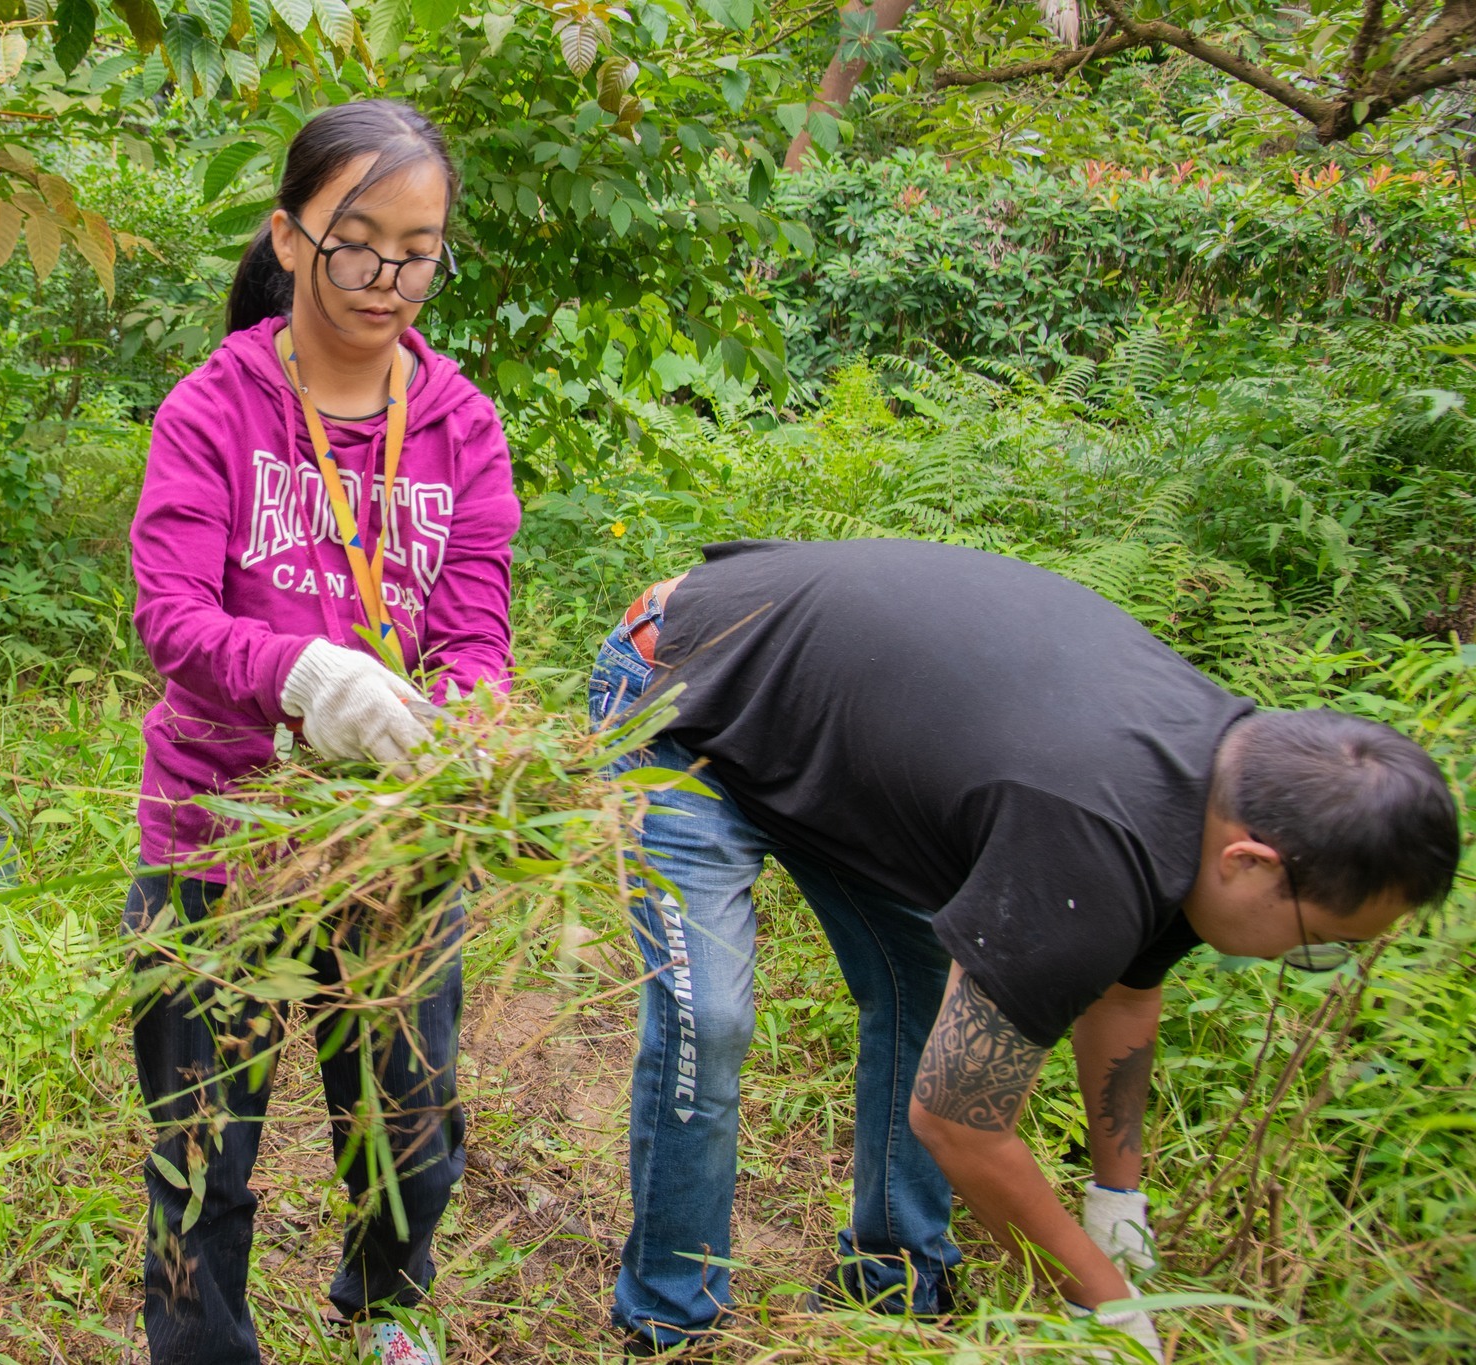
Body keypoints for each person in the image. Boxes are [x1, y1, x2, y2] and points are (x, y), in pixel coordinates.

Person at [591, 538, 1460, 1358]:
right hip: (685, 681)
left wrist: (1117, 1195)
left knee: (920, 994)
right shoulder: (1094, 832)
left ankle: (896, 1278)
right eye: (1320, 946)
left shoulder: (1217, 784)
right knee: (710, 1019)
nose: (1301, 964)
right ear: (1250, 861)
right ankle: (673, 1322)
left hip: (814, 733)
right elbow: (961, 1119)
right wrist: (1105, 1303)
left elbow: (1126, 990)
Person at [125, 101, 519, 1365]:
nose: (386, 280)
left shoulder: (459, 425)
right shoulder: (213, 409)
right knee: (201, 1154)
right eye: (355, 244)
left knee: (407, 1130)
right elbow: (170, 618)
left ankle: (386, 1311)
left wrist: (454, 731)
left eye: (417, 250)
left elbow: (474, 633)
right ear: (290, 238)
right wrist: (306, 676)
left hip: (390, 854)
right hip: (216, 848)